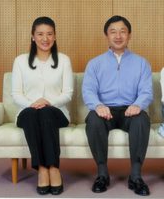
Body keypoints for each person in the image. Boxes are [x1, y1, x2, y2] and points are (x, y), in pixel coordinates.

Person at [82, 15, 153, 196]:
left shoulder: (142, 63)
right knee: (93, 119)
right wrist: (98, 106)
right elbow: (88, 91)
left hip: (131, 110)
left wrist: (138, 105)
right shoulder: (95, 64)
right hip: (106, 110)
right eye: (113, 32)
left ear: (129, 35)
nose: (118, 36)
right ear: (107, 35)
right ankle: (102, 175)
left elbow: (146, 91)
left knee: (142, 120)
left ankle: (136, 176)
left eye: (123, 31)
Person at [11, 16, 73, 195]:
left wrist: (48, 102)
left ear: (54, 36)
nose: (45, 39)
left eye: (49, 34)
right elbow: (16, 94)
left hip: (57, 113)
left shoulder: (63, 60)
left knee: (46, 112)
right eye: (40, 34)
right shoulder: (20, 61)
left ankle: (53, 167)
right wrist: (33, 104)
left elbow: (67, 93)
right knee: (32, 114)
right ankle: (42, 169)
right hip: (27, 112)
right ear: (32, 36)